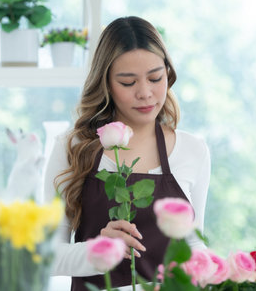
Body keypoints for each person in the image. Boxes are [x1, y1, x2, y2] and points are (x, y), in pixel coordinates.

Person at [44, 16, 210, 291]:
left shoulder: (193, 151)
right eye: (128, 82)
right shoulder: (72, 147)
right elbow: (46, 255)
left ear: (168, 73)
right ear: (106, 83)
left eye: (155, 78)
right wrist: (97, 251)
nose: (145, 93)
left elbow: (192, 242)